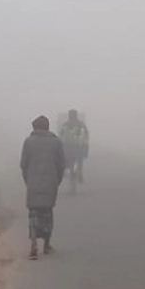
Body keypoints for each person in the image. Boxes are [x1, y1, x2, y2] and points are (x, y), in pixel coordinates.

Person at [21, 115, 65, 260]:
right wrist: (56, 181)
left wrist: (28, 180)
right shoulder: (56, 142)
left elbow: (23, 164)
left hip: (32, 182)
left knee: (33, 213)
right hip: (51, 182)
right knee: (47, 213)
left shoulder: (28, 142)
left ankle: (33, 243)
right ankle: (47, 245)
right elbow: (61, 165)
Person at [60, 109, 90, 183]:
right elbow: (86, 134)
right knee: (80, 160)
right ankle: (79, 173)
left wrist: (62, 145)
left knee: (71, 160)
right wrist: (86, 145)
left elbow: (61, 135)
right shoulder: (81, 124)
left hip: (69, 146)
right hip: (80, 146)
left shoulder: (65, 124)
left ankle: (72, 173)